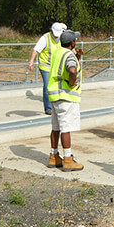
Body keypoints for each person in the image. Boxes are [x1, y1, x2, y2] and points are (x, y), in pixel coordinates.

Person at [47, 30, 84, 171]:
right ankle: (68, 159)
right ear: (72, 42)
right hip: (66, 96)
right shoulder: (69, 55)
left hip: (55, 95)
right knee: (66, 128)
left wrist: (77, 55)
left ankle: (54, 155)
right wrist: (72, 82)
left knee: (56, 127)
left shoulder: (57, 52)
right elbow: (72, 70)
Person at [28, 22, 67, 115]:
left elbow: (68, 47)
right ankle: (48, 108)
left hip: (56, 65)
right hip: (45, 65)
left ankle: (57, 105)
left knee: (58, 85)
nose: (57, 36)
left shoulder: (62, 37)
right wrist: (31, 61)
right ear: (52, 31)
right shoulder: (45, 38)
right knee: (47, 86)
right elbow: (36, 49)